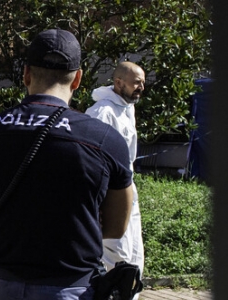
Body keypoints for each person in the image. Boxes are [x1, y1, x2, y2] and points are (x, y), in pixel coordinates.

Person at [0, 29, 134, 299]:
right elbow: (116, 227)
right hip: (70, 287)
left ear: (26, 74)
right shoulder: (104, 139)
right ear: (77, 79)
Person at [85, 61, 146, 296]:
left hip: (128, 189)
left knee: (134, 254)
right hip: (111, 193)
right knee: (115, 255)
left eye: (142, 82)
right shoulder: (102, 112)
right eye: (136, 82)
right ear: (118, 82)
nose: (141, 86)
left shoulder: (127, 106)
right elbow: (96, 160)